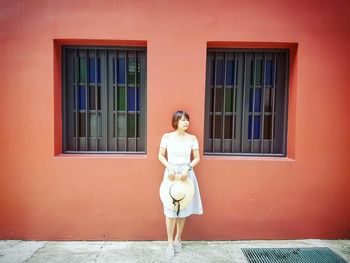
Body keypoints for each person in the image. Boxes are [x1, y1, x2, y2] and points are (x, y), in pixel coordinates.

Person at [158, 110, 203, 259]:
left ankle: (178, 238)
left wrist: (188, 167)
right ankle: (169, 242)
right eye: (183, 120)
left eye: (187, 120)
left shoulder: (192, 138)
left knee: (183, 207)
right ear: (176, 121)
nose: (186, 122)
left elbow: (197, 158)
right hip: (171, 175)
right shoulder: (167, 137)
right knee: (170, 209)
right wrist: (169, 167)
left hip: (186, 174)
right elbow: (160, 155)